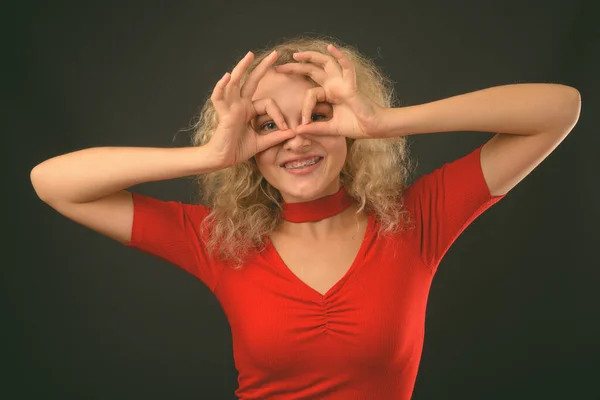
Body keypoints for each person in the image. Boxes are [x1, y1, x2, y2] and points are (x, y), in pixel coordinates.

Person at [30, 36, 581, 399]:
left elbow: (558, 108)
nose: (298, 139)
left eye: (319, 115)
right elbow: (53, 183)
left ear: (348, 128)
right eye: (268, 126)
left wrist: (384, 121)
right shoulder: (217, 241)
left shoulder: (416, 220)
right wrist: (209, 156)